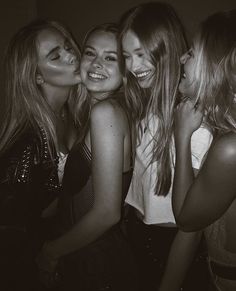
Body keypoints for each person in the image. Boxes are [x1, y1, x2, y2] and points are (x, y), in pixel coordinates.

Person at [36, 23, 138, 291]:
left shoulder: (106, 113)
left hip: (94, 262)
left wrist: (50, 252)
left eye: (110, 57)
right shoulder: (99, 112)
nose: (96, 63)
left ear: (126, 71)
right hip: (86, 254)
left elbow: (107, 213)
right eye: (90, 53)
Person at [119, 2, 213, 290]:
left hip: (170, 248)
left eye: (141, 54)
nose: (133, 66)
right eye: (126, 56)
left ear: (166, 48)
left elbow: (192, 228)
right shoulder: (149, 106)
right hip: (137, 234)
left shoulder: (194, 121)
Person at [0, 19, 82, 291]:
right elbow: (14, 228)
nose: (72, 55)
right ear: (37, 76)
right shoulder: (26, 143)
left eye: (68, 46)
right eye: (56, 55)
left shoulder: (77, 115)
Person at [172, 9, 236, 291]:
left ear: (214, 66)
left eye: (191, 52)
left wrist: (181, 135)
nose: (182, 59)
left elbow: (186, 219)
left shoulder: (230, 148)